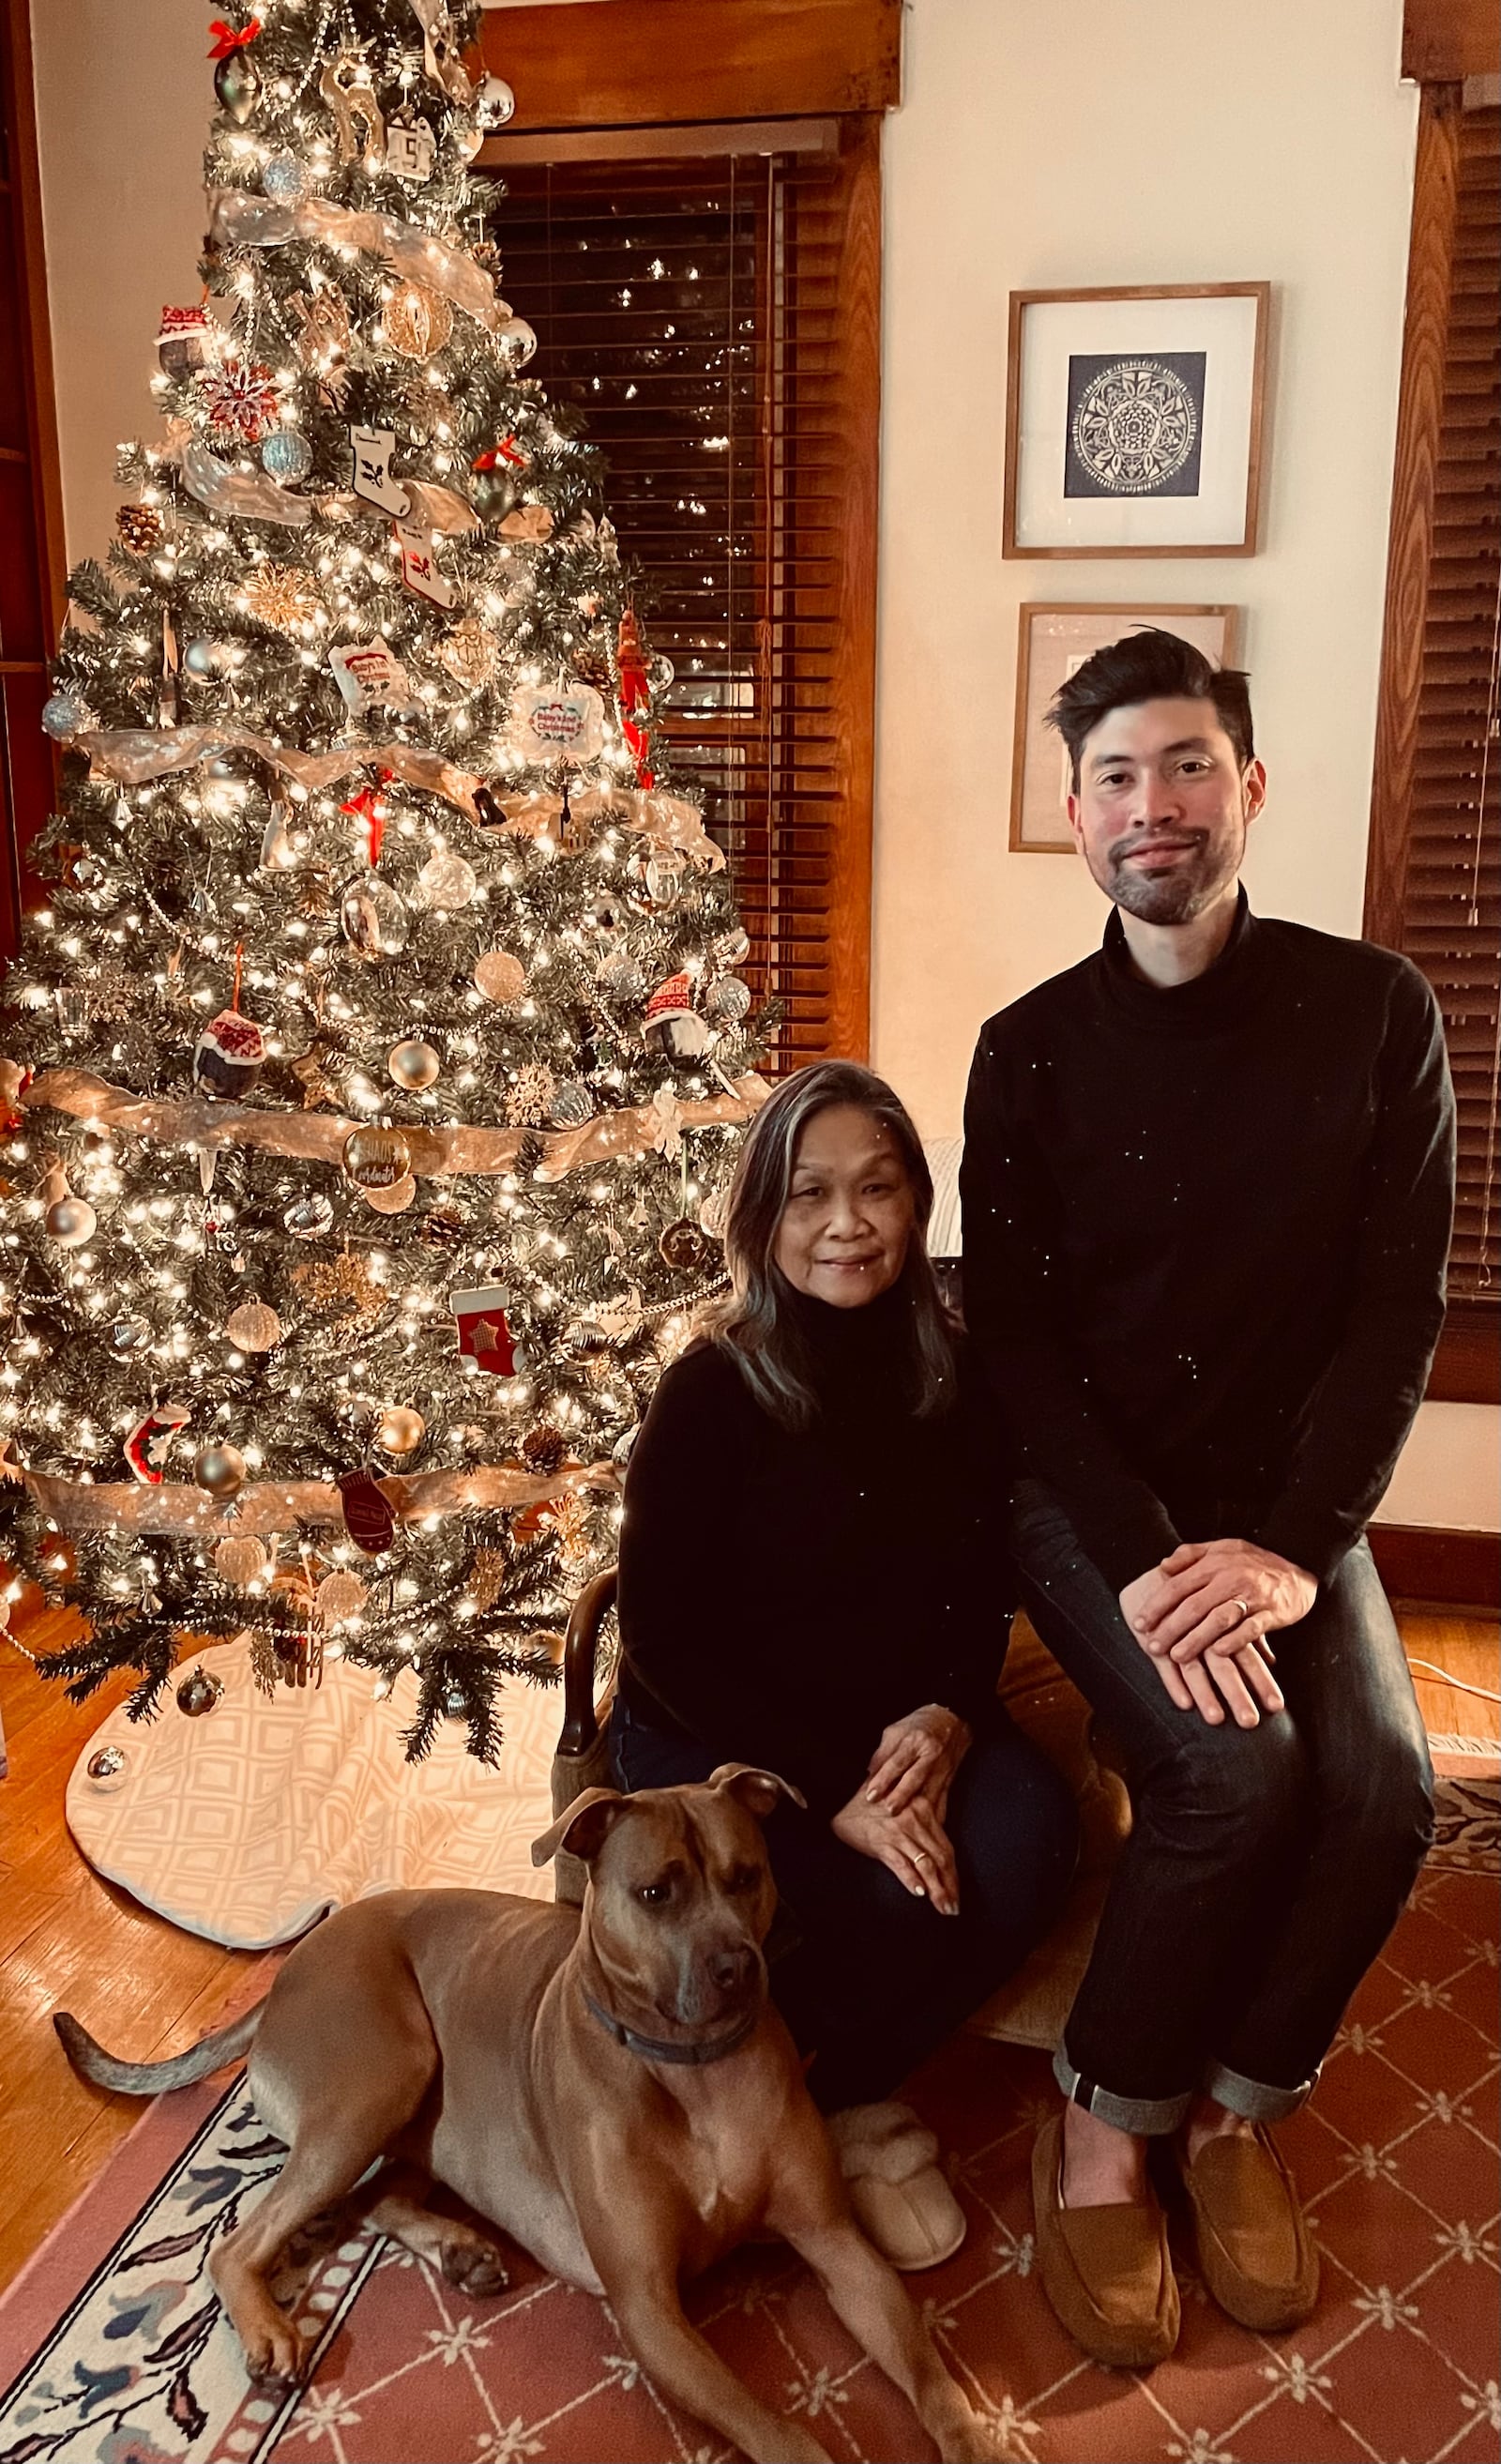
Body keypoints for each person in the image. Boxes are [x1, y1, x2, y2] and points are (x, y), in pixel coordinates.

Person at [961, 627, 1454, 2366]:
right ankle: (1105, 2121)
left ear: (1249, 788)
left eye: (1184, 767)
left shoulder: (1380, 1012)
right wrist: (1159, 1559)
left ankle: (1236, 2104)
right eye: (1113, 776)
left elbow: (1398, 1313)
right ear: (1075, 813)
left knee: (1388, 1787)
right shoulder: (1025, 1054)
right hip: (1093, 1506)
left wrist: (1298, 1554)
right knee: (1236, 1775)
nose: (1149, 807)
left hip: (1293, 1514)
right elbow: (1013, 1348)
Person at [614, 1060, 1079, 2267]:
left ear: (917, 1206)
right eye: (811, 1193)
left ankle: (822, 2104)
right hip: (715, 1726)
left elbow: (980, 1585)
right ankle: (730, 2112)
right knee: (877, 1889)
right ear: (762, 1216)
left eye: (877, 1189)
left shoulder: (958, 1376)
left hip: (895, 1720)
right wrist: (839, 1795)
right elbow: (662, 1642)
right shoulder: (710, 1390)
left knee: (1029, 1841)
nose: (846, 1224)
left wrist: (950, 1713)